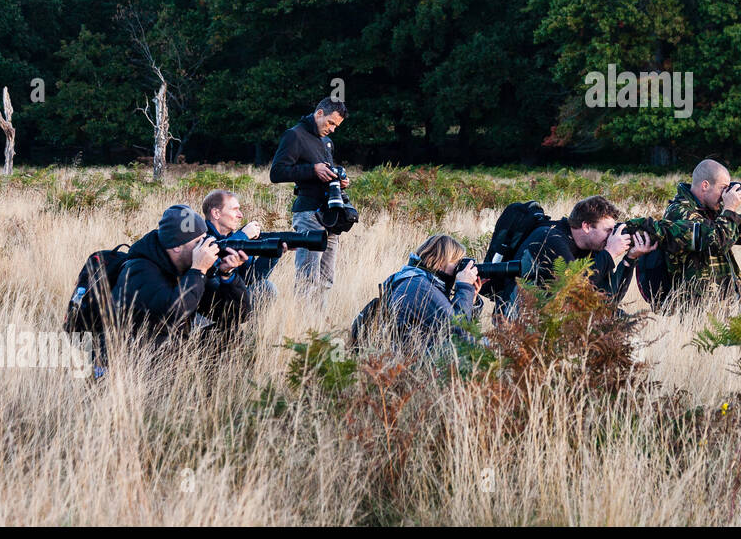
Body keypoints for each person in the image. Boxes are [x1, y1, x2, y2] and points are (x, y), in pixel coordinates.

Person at [110, 204, 251, 350]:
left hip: (176, 347)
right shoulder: (139, 271)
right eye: (198, 242)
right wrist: (198, 270)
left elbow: (237, 315)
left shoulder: (188, 267)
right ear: (176, 246)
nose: (203, 248)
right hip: (140, 354)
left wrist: (227, 276)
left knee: (231, 335)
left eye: (205, 239)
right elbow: (171, 316)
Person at [654, 158, 741, 308]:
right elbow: (716, 242)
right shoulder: (679, 212)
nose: (725, 194)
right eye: (723, 188)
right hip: (700, 306)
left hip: (730, 299)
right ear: (705, 185)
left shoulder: (713, 209)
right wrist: (729, 209)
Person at [509, 195, 656, 314]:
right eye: (607, 230)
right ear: (586, 226)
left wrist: (630, 259)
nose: (611, 236)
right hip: (520, 320)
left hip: (552, 314)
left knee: (616, 316)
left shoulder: (592, 248)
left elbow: (609, 299)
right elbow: (575, 287)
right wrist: (610, 253)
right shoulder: (550, 238)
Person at [269, 97, 349, 306]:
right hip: (308, 214)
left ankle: (318, 331)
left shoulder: (326, 141)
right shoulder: (294, 135)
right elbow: (276, 173)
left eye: (336, 126)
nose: (332, 129)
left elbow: (326, 173)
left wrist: (339, 181)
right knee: (308, 279)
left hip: (331, 215)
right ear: (319, 113)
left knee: (326, 280)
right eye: (331, 123)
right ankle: (301, 330)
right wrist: (312, 170)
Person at [350, 234, 479, 351]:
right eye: (456, 263)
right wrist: (465, 288)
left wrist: (470, 299)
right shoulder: (420, 287)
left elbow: (456, 324)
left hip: (409, 354)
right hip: (414, 362)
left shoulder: (415, 279)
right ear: (440, 262)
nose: (459, 269)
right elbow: (459, 329)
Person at [202, 188, 285, 305]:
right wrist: (243, 235)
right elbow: (213, 269)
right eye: (235, 210)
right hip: (207, 305)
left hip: (231, 300)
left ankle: (250, 323)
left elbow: (252, 278)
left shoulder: (236, 238)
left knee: (266, 288)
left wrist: (273, 252)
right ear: (216, 213)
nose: (240, 215)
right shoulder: (200, 237)